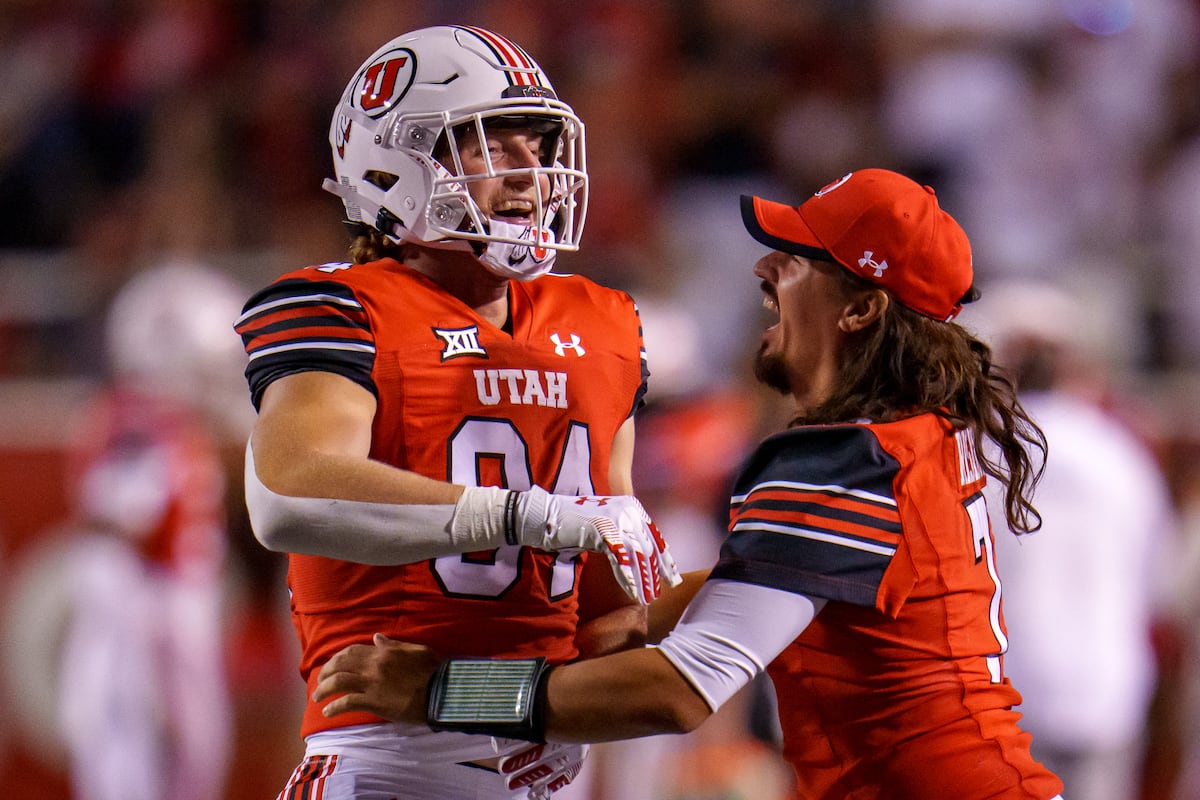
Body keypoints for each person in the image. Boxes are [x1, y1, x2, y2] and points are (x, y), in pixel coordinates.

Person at [311, 168, 1068, 800]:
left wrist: (444, 692)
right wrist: (644, 618)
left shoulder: (842, 461)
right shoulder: (917, 436)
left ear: (862, 309)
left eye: (797, 259)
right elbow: (823, 594)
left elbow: (677, 692)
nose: (765, 269)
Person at [232, 25, 678, 800]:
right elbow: (288, 493)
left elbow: (609, 617)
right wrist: (521, 515)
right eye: (491, 144)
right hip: (387, 754)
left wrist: (564, 712)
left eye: (537, 144)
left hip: (536, 750)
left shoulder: (603, 323)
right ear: (396, 161)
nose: (531, 173)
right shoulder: (344, 305)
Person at [973, 280, 1177, 800]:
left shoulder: (977, 453)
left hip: (1003, 699)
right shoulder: (1123, 455)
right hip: (1106, 694)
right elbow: (1160, 584)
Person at [56, 262, 243, 800]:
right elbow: (124, 518)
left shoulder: (161, 424)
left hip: (166, 589)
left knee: (184, 729)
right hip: (151, 591)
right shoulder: (135, 422)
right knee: (125, 721)